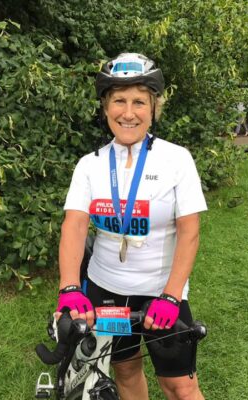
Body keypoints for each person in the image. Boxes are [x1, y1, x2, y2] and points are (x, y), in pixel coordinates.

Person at [55, 53, 207, 400]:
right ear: (106, 107)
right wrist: (68, 288)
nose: (128, 112)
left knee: (180, 386)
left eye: (139, 101)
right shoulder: (89, 165)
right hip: (105, 288)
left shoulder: (176, 159)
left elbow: (190, 232)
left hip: (161, 290)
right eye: (119, 101)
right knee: (125, 369)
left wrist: (171, 295)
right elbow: (75, 227)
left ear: (154, 108)